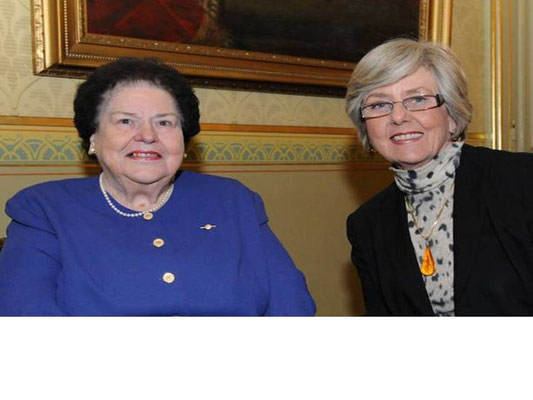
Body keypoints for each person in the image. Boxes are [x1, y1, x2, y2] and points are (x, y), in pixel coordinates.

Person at [0, 57, 315, 316]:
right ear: (93, 137)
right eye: (126, 121)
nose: (147, 135)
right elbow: (27, 320)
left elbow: (292, 304)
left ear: (184, 140)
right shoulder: (43, 209)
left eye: (164, 122)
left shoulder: (234, 200)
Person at [345, 38, 533, 316]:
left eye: (418, 99)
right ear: (366, 127)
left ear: (452, 116)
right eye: (379, 105)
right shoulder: (367, 225)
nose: (398, 117)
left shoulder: (521, 181)